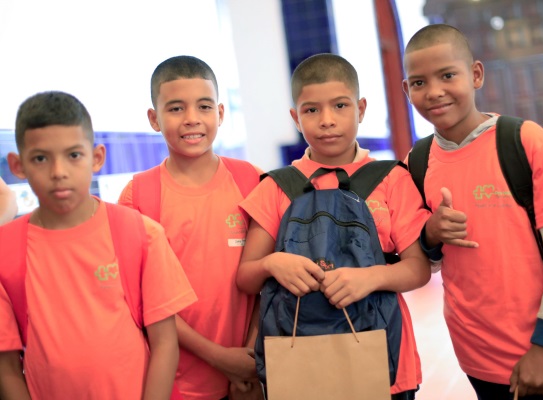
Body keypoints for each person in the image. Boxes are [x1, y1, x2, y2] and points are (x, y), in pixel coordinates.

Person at [402, 24, 543, 399]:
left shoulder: (524, 141)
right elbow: (425, 261)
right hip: (472, 351)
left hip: (537, 349)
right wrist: (431, 234)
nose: (434, 91)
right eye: (419, 82)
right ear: (407, 90)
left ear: (476, 75)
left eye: (447, 75)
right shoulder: (417, 161)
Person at [236, 53, 432, 399]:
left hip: (384, 358)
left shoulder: (391, 179)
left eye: (340, 106)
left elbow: (418, 269)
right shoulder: (276, 186)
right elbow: (245, 277)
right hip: (300, 364)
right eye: (311, 110)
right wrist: (272, 264)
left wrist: (371, 277)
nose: (327, 120)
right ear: (296, 118)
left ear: (361, 109)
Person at [0, 91, 198, 399]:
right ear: (17, 165)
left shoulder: (141, 234)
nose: (58, 172)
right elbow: (7, 369)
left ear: (97, 158)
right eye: (40, 158)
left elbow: (165, 345)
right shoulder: (5, 250)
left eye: (73, 155)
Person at [118, 55, 263, 400]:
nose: (192, 119)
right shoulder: (138, 196)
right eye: (176, 108)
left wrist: (250, 356)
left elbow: (265, 283)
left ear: (221, 113)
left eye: (204, 106)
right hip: (175, 384)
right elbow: (144, 303)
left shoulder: (252, 182)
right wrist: (221, 359)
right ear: (154, 118)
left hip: (249, 377)